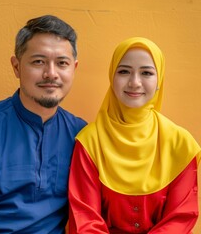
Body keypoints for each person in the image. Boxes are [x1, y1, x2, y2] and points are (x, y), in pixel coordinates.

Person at [0, 15, 87, 233]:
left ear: (74, 68)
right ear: (17, 66)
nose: (51, 73)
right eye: (38, 61)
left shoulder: (81, 134)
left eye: (62, 63)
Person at [68, 37, 201, 233]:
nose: (135, 82)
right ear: (111, 77)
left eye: (146, 73)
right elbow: (84, 218)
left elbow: (180, 218)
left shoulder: (179, 143)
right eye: (123, 71)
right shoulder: (90, 141)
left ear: (159, 80)